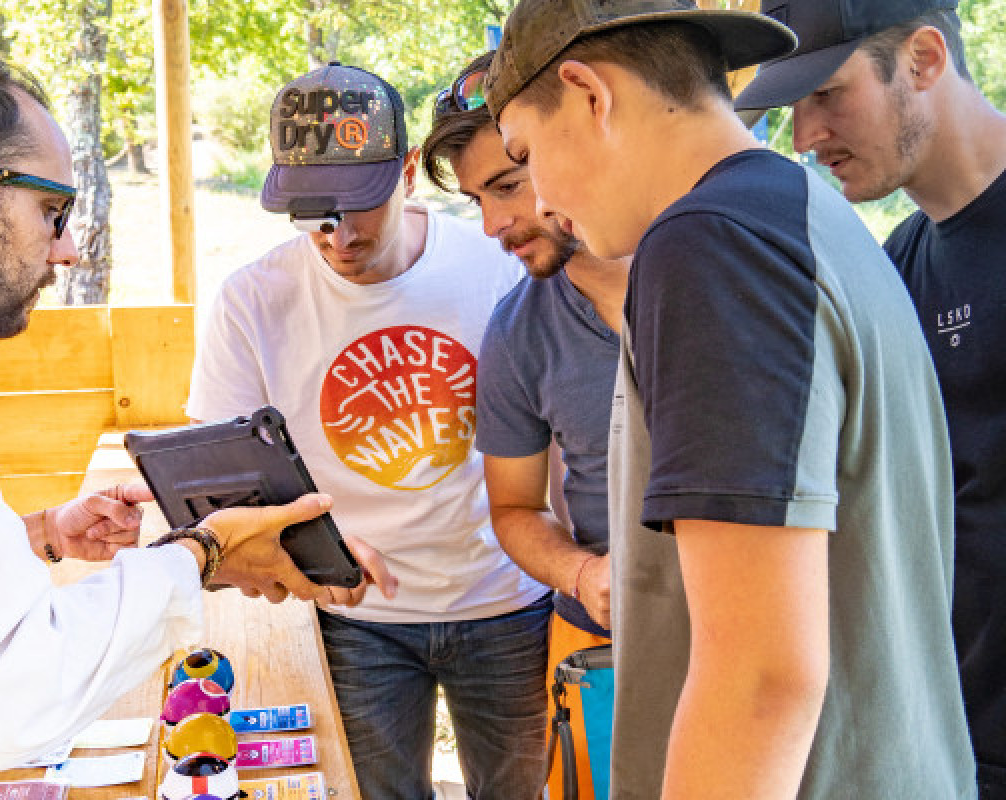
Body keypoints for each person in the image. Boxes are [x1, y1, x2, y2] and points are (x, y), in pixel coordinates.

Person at [0, 47, 384, 799]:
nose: (70, 249)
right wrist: (200, 556)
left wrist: (40, 533)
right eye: (53, 210)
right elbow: (3, 697)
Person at [485, 0, 976, 797]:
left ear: (587, 93)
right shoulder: (805, 212)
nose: (538, 200)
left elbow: (760, 678)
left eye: (526, 151)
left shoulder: (711, 243)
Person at [187, 62, 551, 800]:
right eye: (312, 210)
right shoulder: (253, 300)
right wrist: (305, 555)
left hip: (506, 601)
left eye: (360, 205)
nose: (339, 234)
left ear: (408, 172)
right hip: (356, 616)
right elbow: (222, 488)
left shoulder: (498, 264)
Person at [734, 3, 1006, 794]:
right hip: (951, 734)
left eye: (826, 94)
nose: (805, 137)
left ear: (923, 59)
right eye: (792, 110)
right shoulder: (896, 263)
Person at [422, 50, 629, 799]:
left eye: (508, 184)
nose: (493, 224)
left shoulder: (715, 273)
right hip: (599, 642)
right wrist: (582, 573)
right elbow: (513, 507)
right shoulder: (516, 332)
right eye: (477, 199)